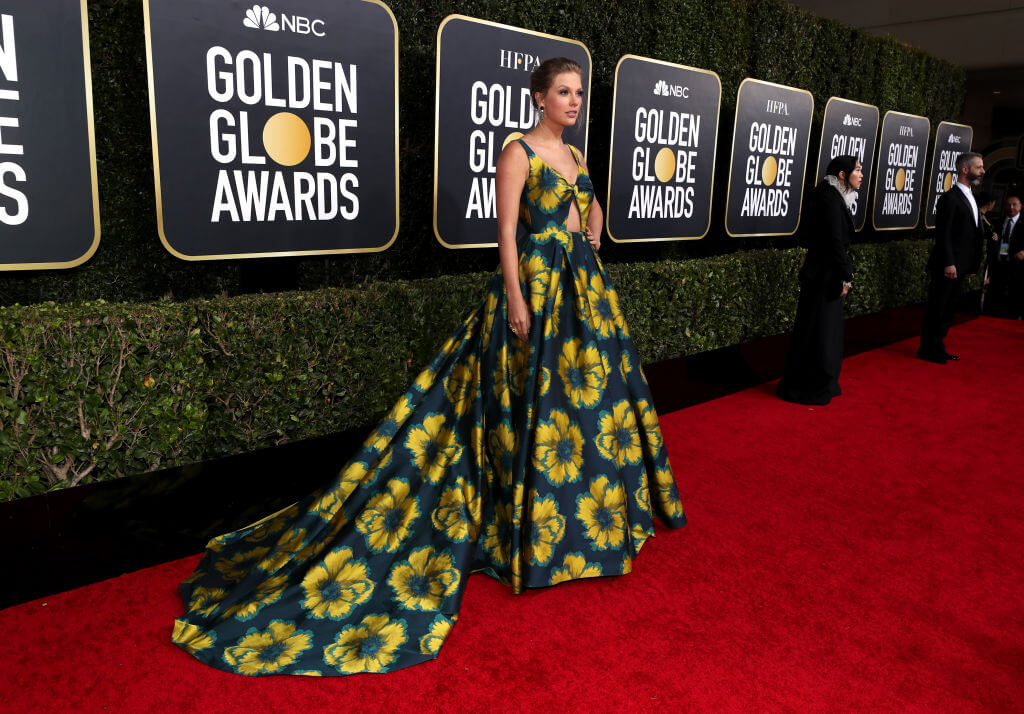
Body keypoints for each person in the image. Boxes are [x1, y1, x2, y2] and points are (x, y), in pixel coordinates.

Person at [171, 57, 686, 677]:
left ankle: (586, 524)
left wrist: (591, 234)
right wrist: (516, 298)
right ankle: (531, 532)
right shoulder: (518, 151)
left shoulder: (576, 156)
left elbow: (591, 210)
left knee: (588, 408)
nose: (574, 101)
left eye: (579, 92)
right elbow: (505, 234)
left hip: (585, 294)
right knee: (534, 407)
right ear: (539, 97)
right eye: (563, 92)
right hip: (538, 292)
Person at [776, 155, 860, 405]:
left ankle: (821, 383)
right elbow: (834, 241)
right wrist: (846, 274)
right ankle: (809, 387)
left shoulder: (830, 195)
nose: (861, 175)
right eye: (857, 170)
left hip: (823, 273)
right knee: (819, 333)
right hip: (824, 275)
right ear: (842, 174)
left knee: (823, 331)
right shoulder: (829, 198)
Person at [918, 151, 986, 363]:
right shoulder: (950, 198)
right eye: (979, 167)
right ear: (965, 169)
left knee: (948, 308)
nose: (983, 171)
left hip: (962, 265)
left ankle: (937, 346)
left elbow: (973, 233)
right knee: (938, 307)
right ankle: (928, 349)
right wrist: (949, 263)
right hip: (948, 265)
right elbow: (943, 233)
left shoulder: (971, 196)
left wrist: (973, 264)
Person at [986, 194, 1023, 317]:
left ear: (1021, 206)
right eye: (1008, 205)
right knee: (995, 300)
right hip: (998, 266)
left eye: (1014, 205)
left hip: (1018, 269)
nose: (1011, 207)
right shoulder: (997, 222)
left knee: (1013, 302)